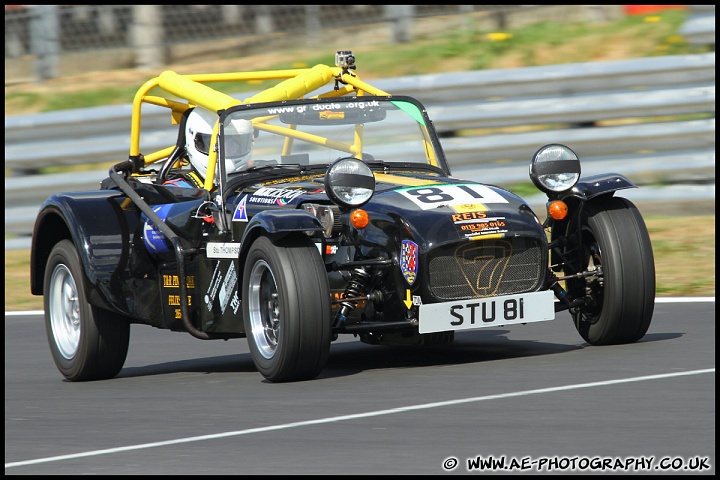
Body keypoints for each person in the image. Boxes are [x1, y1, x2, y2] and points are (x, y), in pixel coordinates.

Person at [163, 107, 254, 188]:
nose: (225, 150)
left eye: (234, 144)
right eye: (216, 145)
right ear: (193, 141)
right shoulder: (177, 190)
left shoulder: (252, 182)